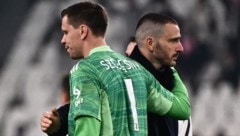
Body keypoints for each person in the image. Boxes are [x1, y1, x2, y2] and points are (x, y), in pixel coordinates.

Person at [41, 1, 190, 136]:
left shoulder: (86, 70)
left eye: (66, 32)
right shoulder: (136, 72)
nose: (63, 39)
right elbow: (182, 109)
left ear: (83, 31)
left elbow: (88, 129)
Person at [126, 13, 192, 136]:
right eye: (173, 41)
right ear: (150, 43)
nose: (181, 48)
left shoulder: (175, 89)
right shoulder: (124, 84)